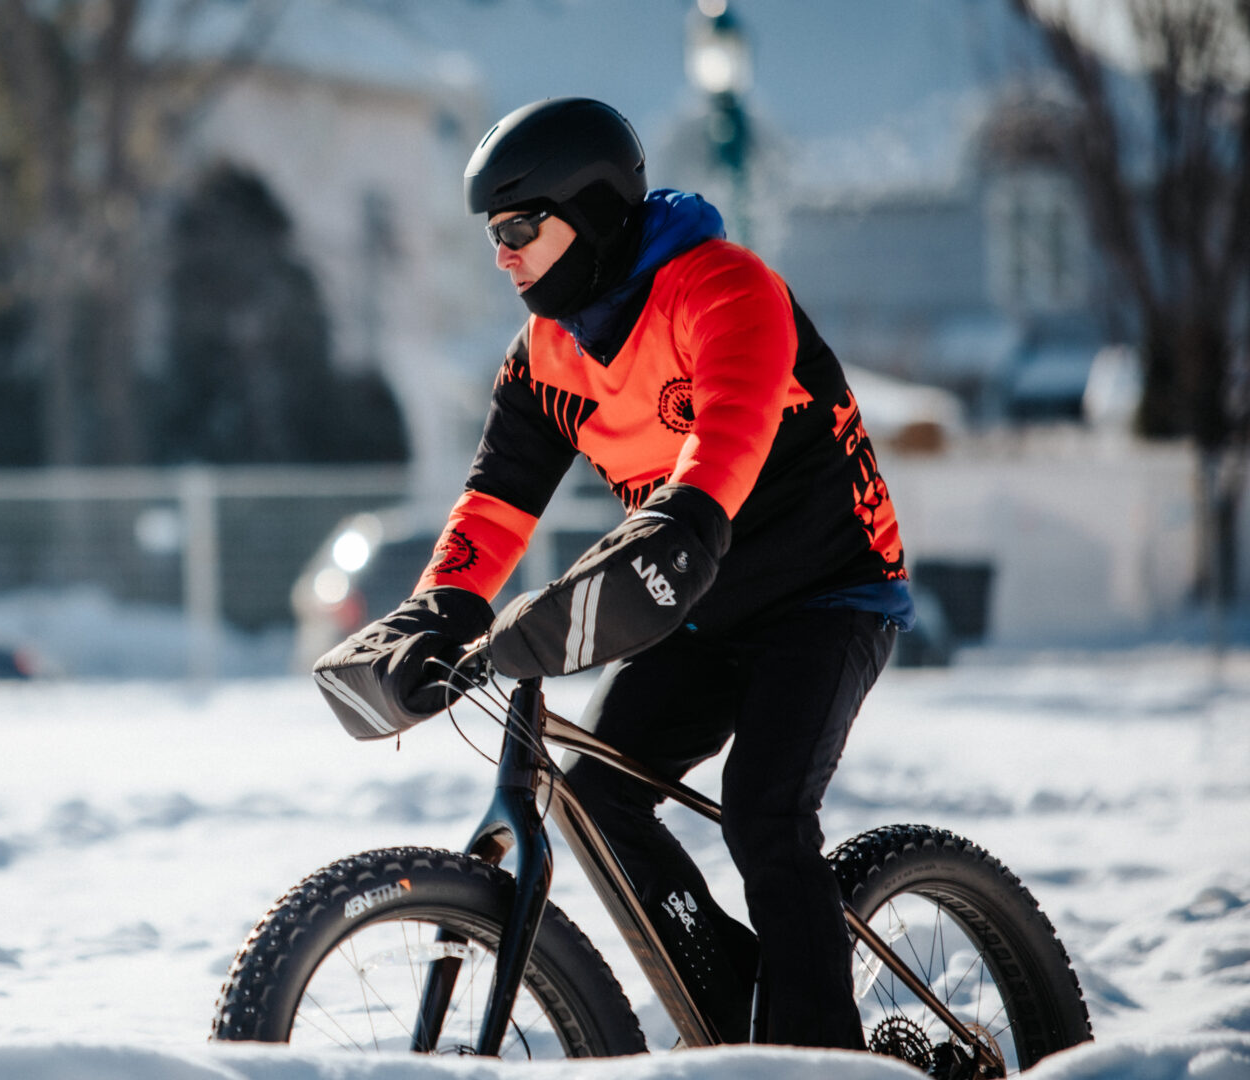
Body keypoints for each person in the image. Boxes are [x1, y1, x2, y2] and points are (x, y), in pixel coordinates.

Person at [313, 98, 912, 1050]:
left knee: (765, 806)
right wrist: (442, 609)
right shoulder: (546, 355)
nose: (501, 253)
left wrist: (669, 533)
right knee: (592, 791)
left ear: (588, 214)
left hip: (827, 591)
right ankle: (743, 992)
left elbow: (723, 449)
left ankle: (821, 1059)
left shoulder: (723, 289)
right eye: (491, 235)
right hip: (706, 605)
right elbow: (496, 503)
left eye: (518, 228)